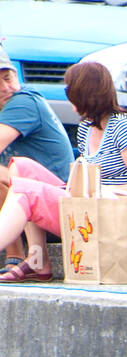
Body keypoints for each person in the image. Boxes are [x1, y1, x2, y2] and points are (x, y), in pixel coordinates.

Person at [0, 60, 127, 283]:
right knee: (21, 167)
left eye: (70, 90)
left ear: (84, 94)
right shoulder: (86, 128)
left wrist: (99, 190)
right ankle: (37, 259)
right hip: (92, 207)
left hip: (125, 218)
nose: (68, 96)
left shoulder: (124, 127)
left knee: (26, 191)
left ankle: (34, 259)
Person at [0, 44, 73, 267]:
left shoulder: (24, 102)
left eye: (8, 77)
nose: (6, 88)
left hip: (56, 211)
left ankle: (16, 255)